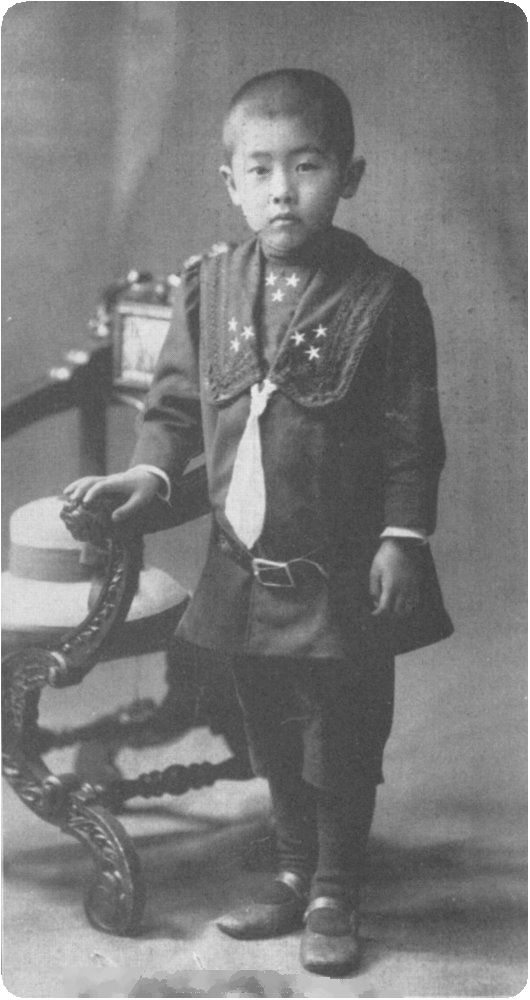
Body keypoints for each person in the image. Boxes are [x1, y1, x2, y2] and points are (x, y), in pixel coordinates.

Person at [65, 69, 451, 977]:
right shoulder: (210, 285)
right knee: (270, 725)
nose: (284, 190)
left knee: (343, 734)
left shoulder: (385, 297)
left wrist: (403, 538)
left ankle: (336, 890)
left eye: (308, 166)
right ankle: (290, 870)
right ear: (230, 182)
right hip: (242, 569)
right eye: (261, 169)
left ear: (349, 176)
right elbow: (171, 408)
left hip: (339, 575)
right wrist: (149, 472)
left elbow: (412, 436)